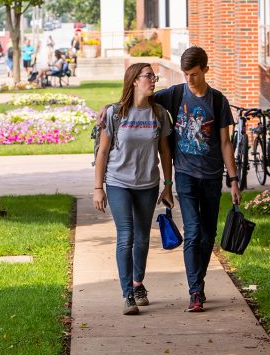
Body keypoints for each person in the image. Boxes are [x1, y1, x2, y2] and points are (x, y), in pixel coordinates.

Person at [154, 46, 241, 312]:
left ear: (205, 70)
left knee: (207, 235)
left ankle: (198, 282)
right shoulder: (176, 94)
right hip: (186, 176)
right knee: (193, 233)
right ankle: (195, 291)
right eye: (185, 74)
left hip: (213, 177)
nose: (189, 79)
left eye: (193, 74)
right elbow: (141, 98)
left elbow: (225, 143)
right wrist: (110, 107)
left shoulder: (217, 100)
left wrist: (234, 180)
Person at [93, 62, 173, 315]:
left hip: (148, 184)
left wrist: (168, 185)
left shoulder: (159, 114)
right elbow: (103, 152)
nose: (154, 80)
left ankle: (138, 283)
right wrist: (98, 187)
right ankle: (128, 293)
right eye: (149, 76)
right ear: (135, 80)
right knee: (126, 235)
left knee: (142, 238)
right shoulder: (115, 114)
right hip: (118, 182)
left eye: (154, 76)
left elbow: (165, 152)